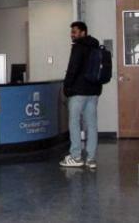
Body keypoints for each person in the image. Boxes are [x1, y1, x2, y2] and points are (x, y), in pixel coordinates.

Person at [60, 21, 102, 170]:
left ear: (83, 32)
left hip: (78, 92)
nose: (72, 35)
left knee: (74, 123)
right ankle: (91, 159)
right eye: (72, 32)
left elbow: (73, 68)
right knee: (91, 124)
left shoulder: (78, 47)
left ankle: (76, 156)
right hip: (94, 91)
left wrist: (66, 87)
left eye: (75, 32)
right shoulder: (96, 46)